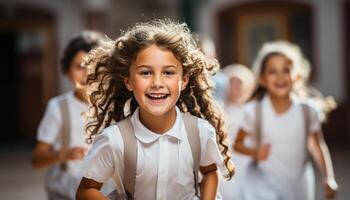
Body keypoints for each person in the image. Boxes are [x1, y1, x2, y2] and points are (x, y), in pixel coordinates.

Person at [76, 19, 234, 200]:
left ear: (184, 80)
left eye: (168, 73)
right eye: (145, 72)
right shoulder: (114, 139)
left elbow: (210, 172)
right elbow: (86, 190)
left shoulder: (200, 132)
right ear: (128, 81)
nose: (157, 83)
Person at [233, 41, 338, 200]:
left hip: (299, 183)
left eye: (286, 70)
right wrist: (255, 152)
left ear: (297, 75)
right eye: (272, 71)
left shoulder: (307, 111)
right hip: (264, 184)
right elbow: (237, 144)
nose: (280, 76)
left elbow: (317, 146)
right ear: (262, 79)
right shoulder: (254, 112)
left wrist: (328, 177)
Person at [31, 31, 113, 200]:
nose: (87, 73)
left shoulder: (116, 106)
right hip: (66, 189)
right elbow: (37, 159)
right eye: (79, 66)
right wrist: (64, 155)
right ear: (67, 71)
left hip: (107, 188)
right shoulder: (58, 107)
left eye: (94, 65)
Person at [219, 64, 255, 200]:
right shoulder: (220, 109)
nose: (236, 86)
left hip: (246, 159)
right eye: (232, 82)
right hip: (226, 158)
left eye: (240, 82)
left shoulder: (252, 110)